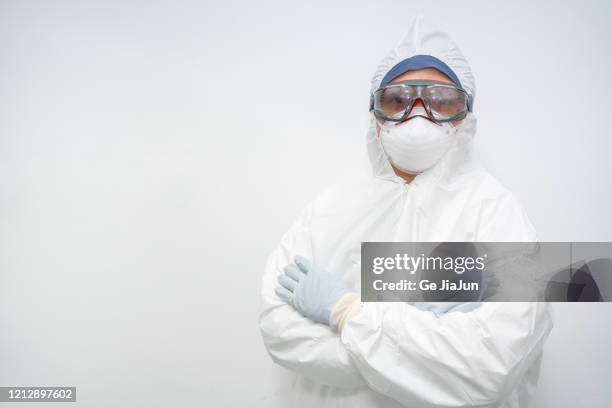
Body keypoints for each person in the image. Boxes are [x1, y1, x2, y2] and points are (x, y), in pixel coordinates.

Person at [259, 16, 553, 408]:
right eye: (397, 99)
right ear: (374, 115)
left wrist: (345, 313)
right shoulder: (328, 210)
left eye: (440, 99)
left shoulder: (498, 215)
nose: (418, 114)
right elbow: (277, 328)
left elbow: (491, 369)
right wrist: (419, 346)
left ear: (464, 113)